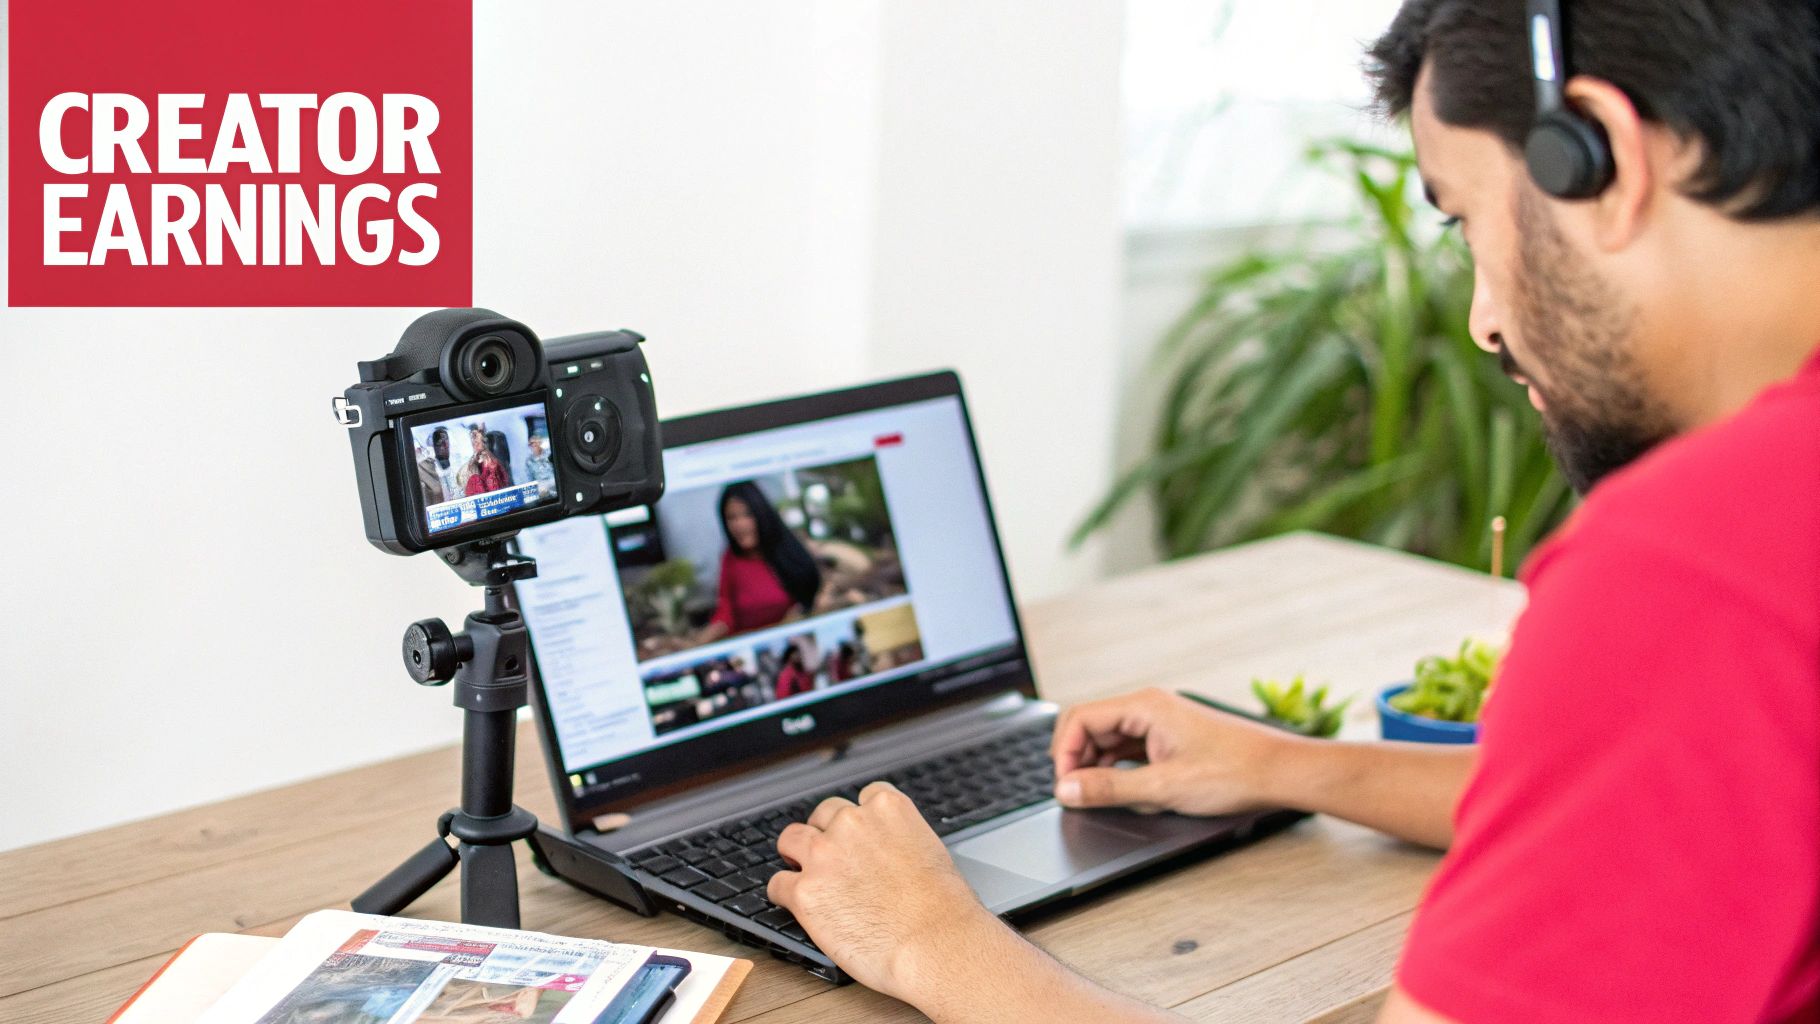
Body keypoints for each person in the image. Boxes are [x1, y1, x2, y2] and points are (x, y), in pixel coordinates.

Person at [759, 3, 1820, 1022]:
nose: (1482, 321)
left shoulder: (1695, 563)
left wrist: (931, 947)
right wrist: (1280, 763)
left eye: (1461, 221)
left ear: (1601, 153)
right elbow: (1655, 815)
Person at [694, 481, 823, 642]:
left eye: (747, 514)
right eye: (731, 517)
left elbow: (811, 597)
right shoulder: (730, 558)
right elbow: (725, 611)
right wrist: (698, 642)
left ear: (761, 514)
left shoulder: (789, 552)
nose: (739, 524)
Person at [417, 427, 462, 507]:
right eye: (439, 442)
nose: (443, 446)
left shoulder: (460, 463)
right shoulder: (426, 466)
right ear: (433, 445)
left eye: (445, 441)